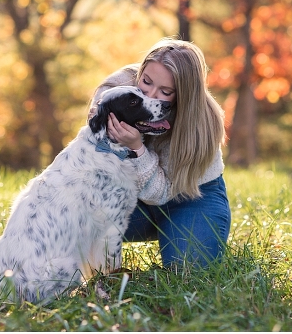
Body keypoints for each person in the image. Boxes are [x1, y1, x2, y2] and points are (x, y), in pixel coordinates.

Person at [88, 38, 230, 269]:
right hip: (131, 194)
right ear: (141, 71)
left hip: (190, 197)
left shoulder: (203, 125)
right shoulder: (114, 91)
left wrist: (137, 148)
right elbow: (96, 150)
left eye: (165, 91)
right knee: (77, 214)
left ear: (184, 94)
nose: (152, 96)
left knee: (188, 273)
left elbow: (160, 194)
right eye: (146, 81)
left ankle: (184, 231)